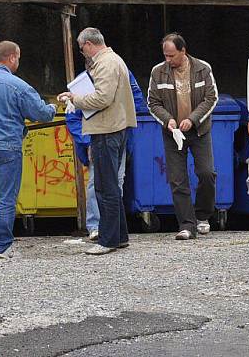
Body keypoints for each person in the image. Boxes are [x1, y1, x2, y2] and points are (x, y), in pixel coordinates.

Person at [0, 40, 56, 261]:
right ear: (12, 57)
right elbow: (41, 113)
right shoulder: (18, 85)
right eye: (19, 58)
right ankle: (3, 248)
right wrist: (52, 107)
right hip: (8, 148)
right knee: (6, 199)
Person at [58, 28, 136, 255]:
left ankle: (109, 240)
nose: (83, 54)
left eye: (82, 49)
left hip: (106, 130)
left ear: (89, 44)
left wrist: (75, 98)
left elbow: (102, 97)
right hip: (114, 128)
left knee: (105, 186)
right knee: (110, 184)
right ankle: (119, 235)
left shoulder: (105, 63)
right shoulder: (115, 60)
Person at [65, 56, 146, 242]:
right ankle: (97, 226)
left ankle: (112, 230)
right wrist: (86, 143)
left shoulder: (121, 76)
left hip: (115, 135)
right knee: (100, 183)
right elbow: (73, 117)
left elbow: (137, 103)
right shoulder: (82, 84)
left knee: (112, 182)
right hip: (103, 136)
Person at [147, 33, 218, 240]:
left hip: (199, 131)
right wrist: (168, 120)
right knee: (177, 179)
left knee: (206, 173)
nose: (168, 60)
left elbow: (211, 98)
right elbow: (153, 103)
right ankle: (186, 224)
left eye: (171, 56)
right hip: (173, 134)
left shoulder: (202, 68)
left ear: (183, 51)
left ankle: (203, 215)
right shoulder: (157, 72)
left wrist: (193, 119)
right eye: (165, 56)